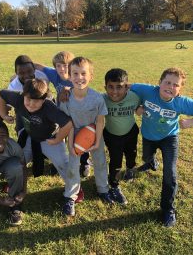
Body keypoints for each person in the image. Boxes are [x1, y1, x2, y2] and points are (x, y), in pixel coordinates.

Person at [130, 67, 193, 227]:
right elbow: (126, 86)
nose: (170, 87)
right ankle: (151, 163)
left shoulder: (182, 102)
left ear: (180, 89)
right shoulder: (148, 91)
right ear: (159, 83)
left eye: (175, 85)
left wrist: (190, 122)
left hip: (169, 138)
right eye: (167, 82)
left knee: (170, 174)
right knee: (146, 158)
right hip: (148, 136)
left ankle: (168, 209)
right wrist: (136, 106)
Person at [60, 57, 115, 217]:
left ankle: (103, 189)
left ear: (91, 75)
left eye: (83, 73)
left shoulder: (97, 98)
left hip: (94, 134)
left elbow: (100, 120)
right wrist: (70, 145)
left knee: (100, 162)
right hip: (74, 135)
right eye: (75, 74)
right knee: (72, 166)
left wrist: (97, 141)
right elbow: (68, 123)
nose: (79, 78)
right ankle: (70, 196)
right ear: (69, 76)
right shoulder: (66, 98)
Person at [0, 78, 72, 182]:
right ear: (23, 94)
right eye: (28, 99)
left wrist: (58, 139)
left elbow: (68, 124)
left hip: (50, 139)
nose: (31, 104)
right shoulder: (18, 98)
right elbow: (1, 94)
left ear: (44, 98)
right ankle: (14, 183)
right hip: (30, 136)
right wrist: (3, 114)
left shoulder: (49, 107)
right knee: (16, 163)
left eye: (36, 101)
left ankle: (74, 191)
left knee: (64, 165)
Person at [36, 51, 91, 178]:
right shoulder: (54, 74)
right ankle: (60, 161)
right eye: (58, 65)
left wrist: (70, 90)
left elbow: (85, 93)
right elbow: (38, 66)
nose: (62, 69)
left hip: (78, 113)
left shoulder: (77, 77)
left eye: (66, 65)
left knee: (81, 137)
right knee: (62, 136)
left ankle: (85, 162)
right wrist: (19, 71)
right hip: (62, 112)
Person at [103, 68, 141, 204]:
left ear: (127, 87)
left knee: (132, 154)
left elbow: (153, 96)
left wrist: (139, 109)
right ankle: (114, 186)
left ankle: (130, 169)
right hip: (112, 135)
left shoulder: (135, 96)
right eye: (110, 87)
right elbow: (84, 97)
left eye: (119, 87)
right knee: (115, 161)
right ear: (105, 87)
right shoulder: (102, 99)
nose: (114, 92)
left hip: (131, 132)